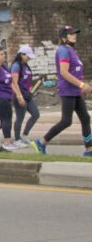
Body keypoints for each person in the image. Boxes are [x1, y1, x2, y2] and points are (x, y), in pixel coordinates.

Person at [34, 26, 92, 156]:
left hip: (75, 91)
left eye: (75, 33)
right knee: (66, 121)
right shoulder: (63, 50)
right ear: (64, 38)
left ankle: (89, 150)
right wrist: (81, 84)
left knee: (85, 118)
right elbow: (64, 72)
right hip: (67, 90)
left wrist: (80, 85)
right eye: (71, 34)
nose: (74, 36)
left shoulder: (71, 51)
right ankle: (41, 142)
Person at [11, 45, 39, 145]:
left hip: (27, 95)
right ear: (22, 55)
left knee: (36, 114)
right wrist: (19, 96)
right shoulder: (16, 66)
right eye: (28, 56)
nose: (29, 58)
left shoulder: (25, 66)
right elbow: (14, 82)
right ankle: (17, 139)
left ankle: (24, 135)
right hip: (19, 95)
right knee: (20, 117)